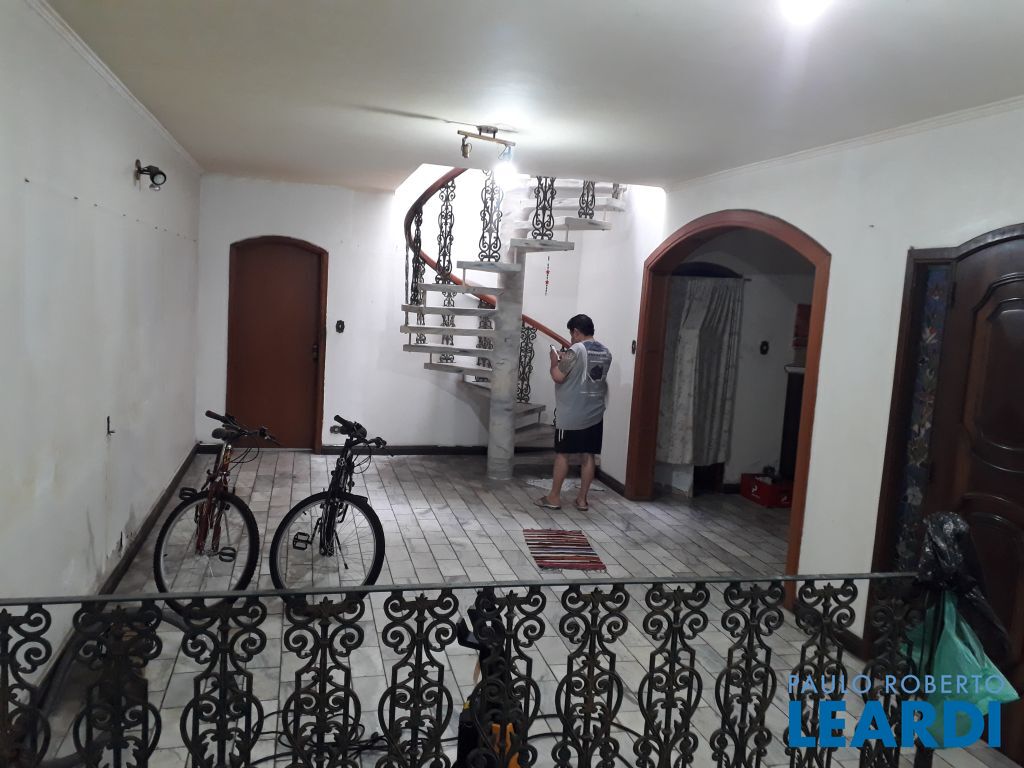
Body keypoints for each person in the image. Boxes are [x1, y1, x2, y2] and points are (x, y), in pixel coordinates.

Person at [535, 314, 612, 511]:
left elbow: (558, 376)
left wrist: (554, 360)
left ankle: (554, 497)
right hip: (595, 413)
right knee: (588, 456)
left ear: (576, 332)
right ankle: (582, 500)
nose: (571, 338)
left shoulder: (576, 350)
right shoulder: (606, 352)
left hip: (571, 414)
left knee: (563, 455)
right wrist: (566, 359)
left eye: (571, 334)